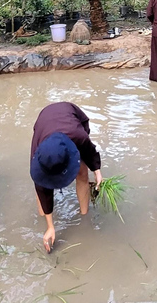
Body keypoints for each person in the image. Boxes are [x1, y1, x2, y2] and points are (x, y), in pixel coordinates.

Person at [30, 102, 102, 253]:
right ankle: (44, 218)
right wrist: (50, 226)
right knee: (42, 184)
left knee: (81, 172)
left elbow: (89, 150)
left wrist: (97, 171)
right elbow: (41, 187)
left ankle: (84, 216)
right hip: (44, 123)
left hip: (71, 118)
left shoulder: (78, 136)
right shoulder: (38, 153)